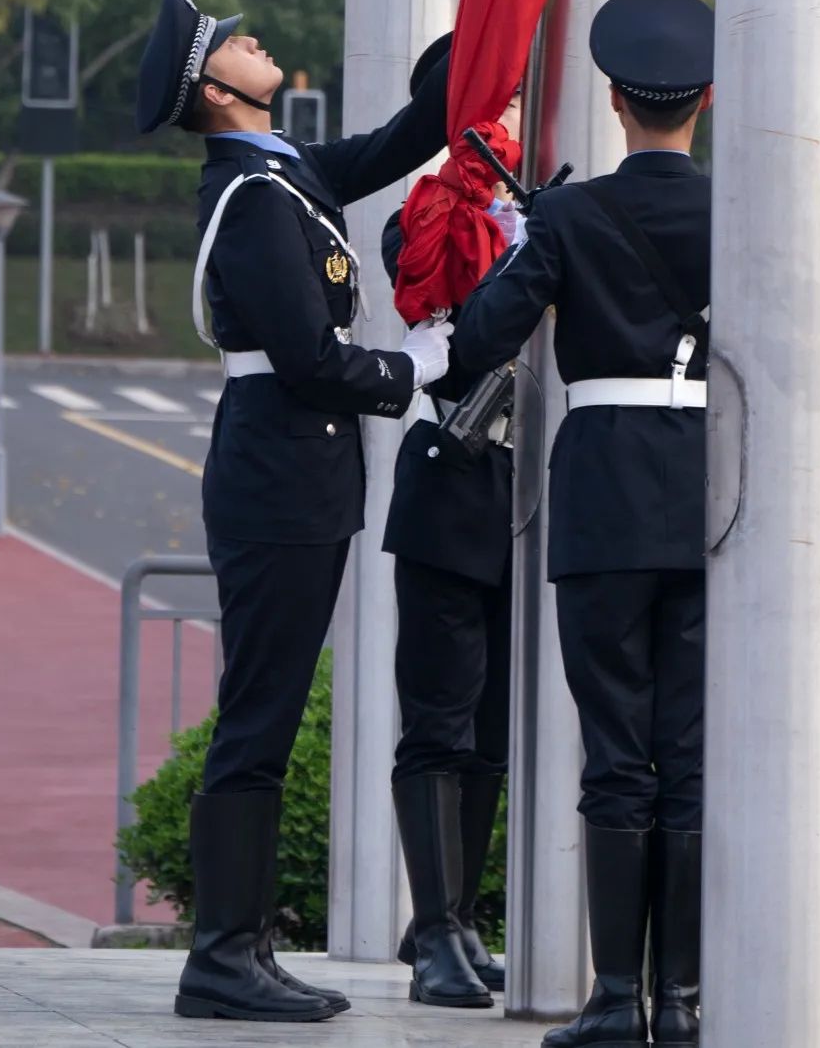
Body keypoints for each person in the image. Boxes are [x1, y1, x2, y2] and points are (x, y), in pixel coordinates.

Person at [135, 0, 453, 1025]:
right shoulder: (255, 197)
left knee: (264, 712)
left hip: (299, 478)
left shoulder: (286, 170)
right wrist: (410, 369)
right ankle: (223, 956)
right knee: (258, 717)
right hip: (278, 478)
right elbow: (314, 364)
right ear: (218, 91)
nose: (256, 38)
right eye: (236, 44)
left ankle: (241, 948)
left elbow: (399, 139)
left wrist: (473, 57)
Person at [452, 0, 714, 1048]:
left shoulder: (566, 215)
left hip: (603, 488)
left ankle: (614, 1001)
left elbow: (478, 336)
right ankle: (685, 1004)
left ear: (614, 99)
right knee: (689, 754)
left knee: (616, 750)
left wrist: (530, 236)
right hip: (709, 492)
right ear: (706, 96)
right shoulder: (737, 211)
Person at [379, 54, 522, 1010]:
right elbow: (433, 303)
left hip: (525, 487)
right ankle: (434, 932)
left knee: (494, 728)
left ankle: (458, 916)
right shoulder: (420, 219)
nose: (508, 122)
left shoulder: (544, 212)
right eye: (494, 104)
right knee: (439, 716)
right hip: (450, 476)